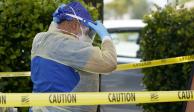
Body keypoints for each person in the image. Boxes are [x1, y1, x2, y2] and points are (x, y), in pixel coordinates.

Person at [30, 1, 117, 112]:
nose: (87, 37)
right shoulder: (67, 45)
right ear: (75, 24)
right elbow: (109, 62)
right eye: (87, 31)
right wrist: (106, 37)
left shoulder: (40, 39)